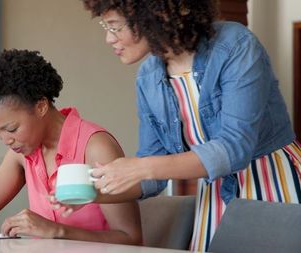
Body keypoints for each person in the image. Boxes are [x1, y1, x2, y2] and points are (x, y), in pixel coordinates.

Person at [78, 0, 301, 251]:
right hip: (215, 196)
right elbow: (153, 174)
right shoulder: (148, 77)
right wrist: (91, 194)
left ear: (156, 15)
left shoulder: (235, 45)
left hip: (273, 185)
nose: (109, 38)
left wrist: (139, 168)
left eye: (115, 27)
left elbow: (235, 147)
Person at [0, 49, 143, 245]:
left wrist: (57, 231)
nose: (6, 140)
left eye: (11, 129)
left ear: (41, 106)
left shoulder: (95, 147)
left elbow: (130, 238)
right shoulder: (22, 153)